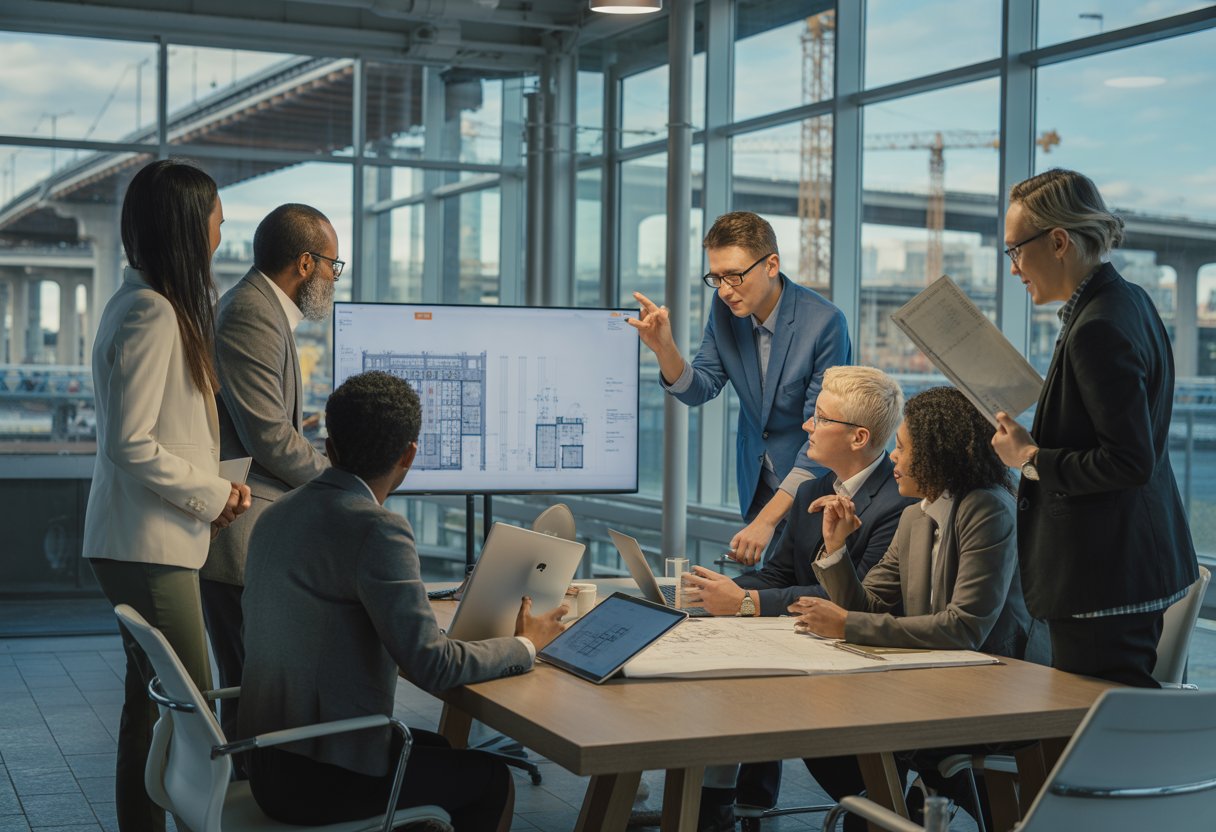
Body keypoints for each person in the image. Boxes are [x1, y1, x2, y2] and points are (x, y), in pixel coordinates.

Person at [238, 371, 569, 831]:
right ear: (409, 455)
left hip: (266, 760)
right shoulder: (376, 528)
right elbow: (432, 665)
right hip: (321, 774)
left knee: (442, 750)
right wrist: (526, 645)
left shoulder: (276, 514)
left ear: (329, 447)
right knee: (491, 778)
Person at [83, 159, 252, 832]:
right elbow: (131, 443)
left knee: (149, 707)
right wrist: (213, 494)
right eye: (216, 221)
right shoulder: (152, 313)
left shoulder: (137, 304)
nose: (220, 234)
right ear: (187, 227)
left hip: (140, 539)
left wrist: (211, 496)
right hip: (148, 549)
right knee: (194, 711)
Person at [791, 387, 1045, 831]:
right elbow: (870, 603)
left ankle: (896, 810)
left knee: (855, 730)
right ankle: (896, 810)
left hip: (997, 686)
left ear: (937, 455)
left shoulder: (987, 508)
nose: (893, 457)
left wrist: (847, 625)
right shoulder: (917, 515)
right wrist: (836, 548)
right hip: (935, 680)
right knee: (824, 727)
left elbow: (965, 628)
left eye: (904, 448)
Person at [683, 366, 914, 830]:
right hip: (809, 648)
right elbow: (778, 574)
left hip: (865, 667)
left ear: (858, 437)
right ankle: (708, 806)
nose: (807, 424)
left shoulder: (900, 501)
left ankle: (715, 806)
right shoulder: (812, 489)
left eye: (820, 418)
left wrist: (745, 604)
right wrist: (709, 594)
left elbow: (851, 598)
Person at [991, 168, 1197, 688]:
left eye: (1015, 250)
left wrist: (1029, 458)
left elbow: (1128, 461)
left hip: (1104, 578)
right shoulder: (1130, 300)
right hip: (1129, 565)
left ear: (1058, 241)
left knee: (1094, 726)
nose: (1014, 268)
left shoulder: (1097, 326)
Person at [629, 211, 850, 564]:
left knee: (802, 586)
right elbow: (700, 388)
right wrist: (664, 349)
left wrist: (766, 522)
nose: (725, 290)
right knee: (761, 585)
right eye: (716, 278)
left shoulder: (825, 323)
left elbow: (822, 436)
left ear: (771, 265)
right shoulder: (725, 310)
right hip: (758, 483)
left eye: (734, 276)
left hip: (811, 487)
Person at [201, 203, 336, 743]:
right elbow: (271, 441)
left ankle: (250, 785)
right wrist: (344, 480)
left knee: (253, 692)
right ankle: (246, 790)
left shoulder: (264, 310)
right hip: (242, 542)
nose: (333, 278)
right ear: (305, 263)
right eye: (332, 265)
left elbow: (268, 428)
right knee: (251, 696)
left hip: (252, 537)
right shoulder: (252, 314)